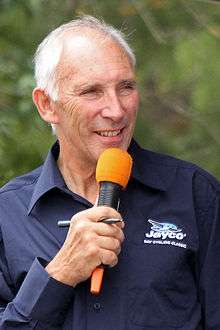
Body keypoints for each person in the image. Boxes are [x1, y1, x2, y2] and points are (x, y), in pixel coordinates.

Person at [0, 15, 219, 330]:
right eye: (92, 91)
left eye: (126, 87)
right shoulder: (8, 214)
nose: (116, 110)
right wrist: (60, 273)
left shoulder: (197, 194)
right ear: (47, 104)